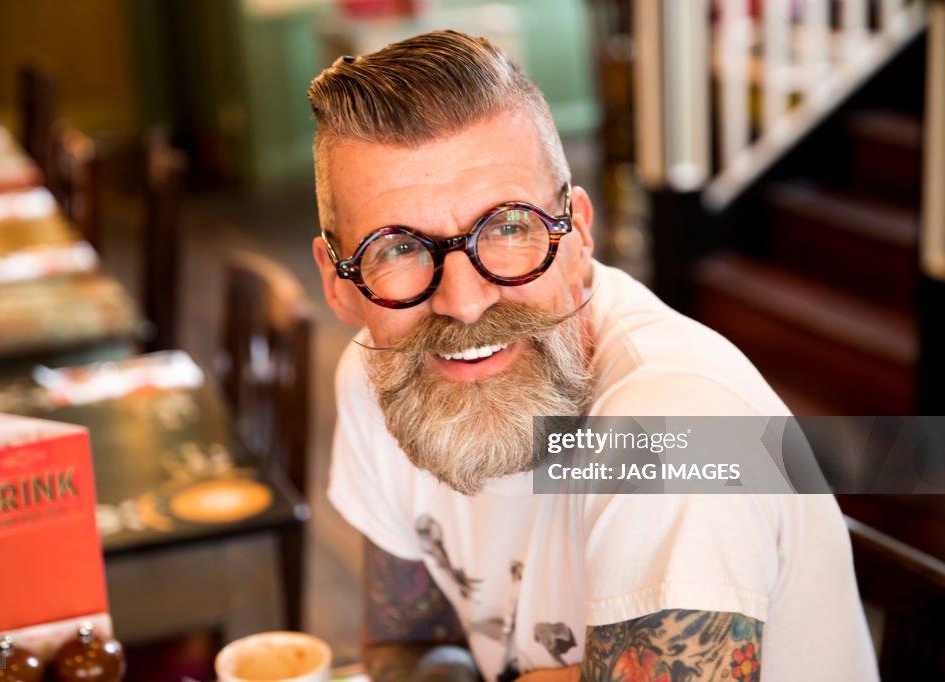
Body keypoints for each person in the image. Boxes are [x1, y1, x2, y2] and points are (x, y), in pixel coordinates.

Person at [308, 31, 877, 682]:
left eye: (507, 227)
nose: (464, 303)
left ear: (578, 234)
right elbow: (407, 642)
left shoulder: (676, 428)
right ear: (337, 281)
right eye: (399, 248)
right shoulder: (379, 376)